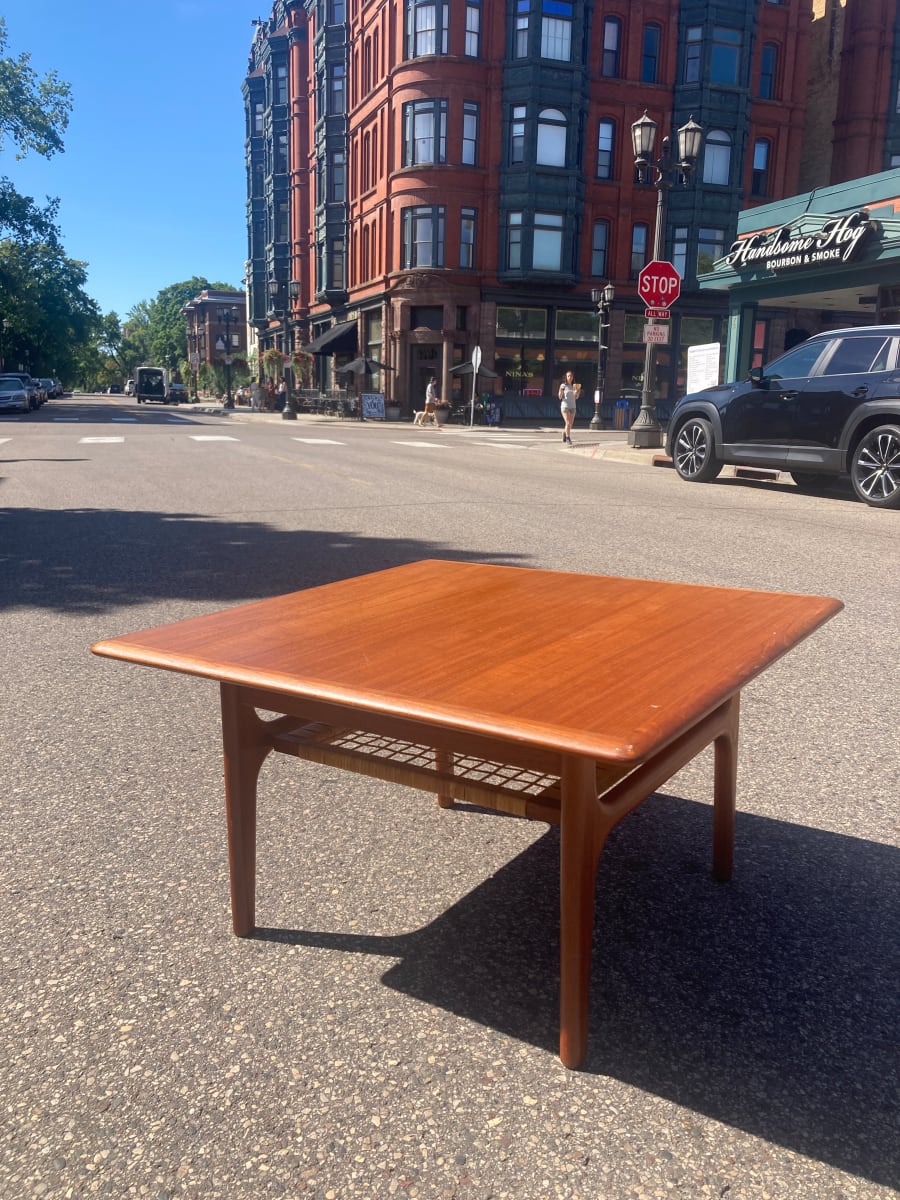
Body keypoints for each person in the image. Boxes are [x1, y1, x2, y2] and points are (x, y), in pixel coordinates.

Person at [558, 370, 580, 445]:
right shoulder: (563, 385)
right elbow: (560, 397)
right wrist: (561, 390)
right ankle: (568, 438)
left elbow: (576, 398)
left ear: (573, 377)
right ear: (566, 377)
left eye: (571, 376)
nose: (570, 377)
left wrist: (576, 392)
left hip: (573, 407)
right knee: (567, 422)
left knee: (570, 424)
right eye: (568, 376)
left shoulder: (575, 386)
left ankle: (564, 433)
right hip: (565, 406)